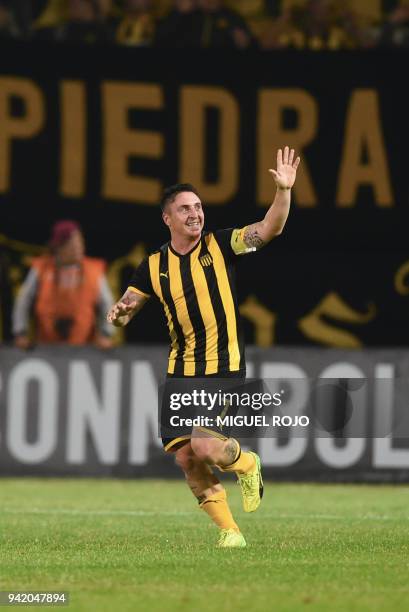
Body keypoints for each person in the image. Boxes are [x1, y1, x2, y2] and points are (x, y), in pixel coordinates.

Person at [107, 146, 300, 548]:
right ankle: (230, 533)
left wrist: (283, 191)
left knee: (205, 444)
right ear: (167, 218)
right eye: (184, 209)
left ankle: (248, 463)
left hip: (223, 366)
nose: (195, 213)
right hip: (181, 371)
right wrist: (120, 313)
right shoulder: (154, 266)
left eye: (198, 206)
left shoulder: (221, 245)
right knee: (187, 458)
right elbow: (128, 306)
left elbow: (268, 229)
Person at [13, 220, 114, 349]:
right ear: (59, 246)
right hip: (46, 348)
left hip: (84, 349)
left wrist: (105, 334)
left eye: (80, 242)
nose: (79, 248)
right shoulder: (42, 269)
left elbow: (108, 304)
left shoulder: (93, 270)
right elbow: (23, 301)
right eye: (73, 244)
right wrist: (21, 333)